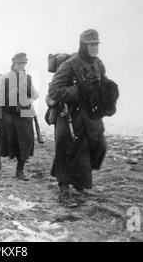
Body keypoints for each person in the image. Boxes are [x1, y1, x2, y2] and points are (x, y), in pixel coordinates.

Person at [47, 29, 112, 208]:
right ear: (83, 45)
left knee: (97, 147)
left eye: (96, 44)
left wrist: (108, 96)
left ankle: (78, 183)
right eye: (91, 45)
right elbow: (54, 91)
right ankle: (64, 189)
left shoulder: (99, 64)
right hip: (69, 114)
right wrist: (79, 91)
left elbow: (102, 84)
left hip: (90, 115)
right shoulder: (69, 65)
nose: (94, 48)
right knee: (66, 150)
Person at [0, 53, 39, 180]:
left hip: (25, 114)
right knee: (4, 140)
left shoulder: (28, 78)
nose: (22, 66)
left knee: (26, 142)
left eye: (24, 63)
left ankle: (20, 171)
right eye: (20, 63)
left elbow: (35, 95)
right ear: (14, 64)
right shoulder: (4, 79)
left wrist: (29, 90)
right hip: (9, 115)